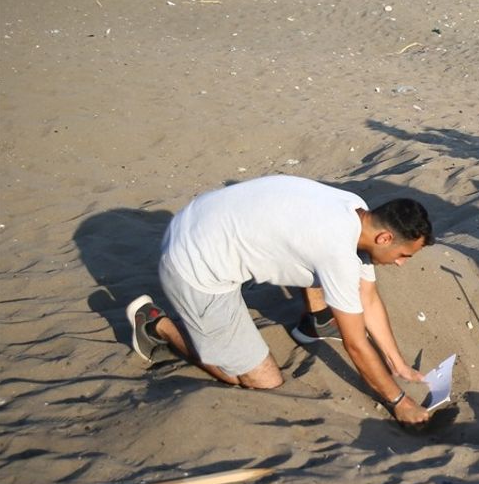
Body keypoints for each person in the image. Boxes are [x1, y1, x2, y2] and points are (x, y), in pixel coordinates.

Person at [124, 175, 436, 427]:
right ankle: (157, 326)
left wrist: (398, 364)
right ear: (385, 238)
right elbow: (355, 344)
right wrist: (399, 402)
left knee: (341, 274)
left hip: (201, 220)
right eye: (403, 255)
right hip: (193, 267)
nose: (400, 264)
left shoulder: (356, 208)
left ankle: (316, 320)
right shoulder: (336, 251)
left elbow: (366, 296)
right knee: (263, 381)